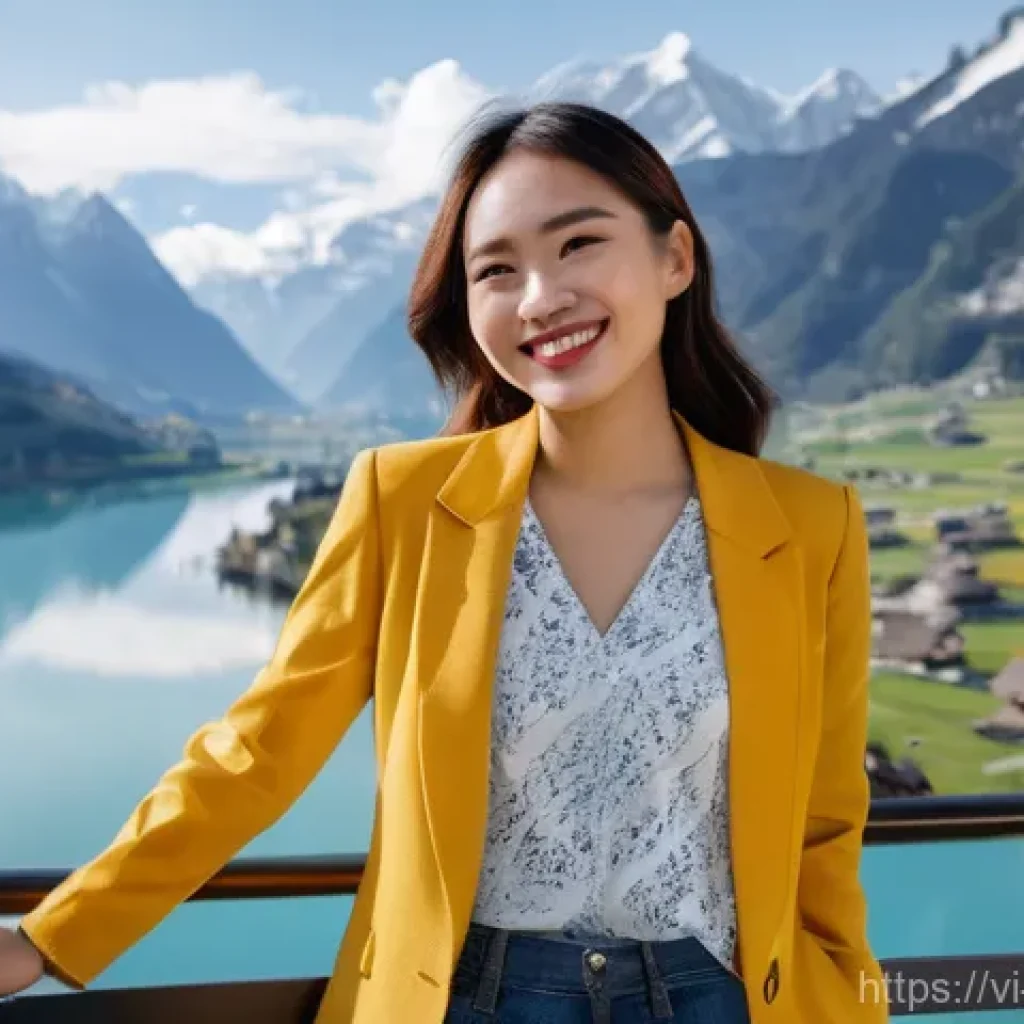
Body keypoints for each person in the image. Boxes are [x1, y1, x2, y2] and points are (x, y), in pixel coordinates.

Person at [0, 100, 889, 1023]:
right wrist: (49, 938)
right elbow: (257, 753)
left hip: (724, 999)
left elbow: (826, 830)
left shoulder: (811, 527)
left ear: (674, 259)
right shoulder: (404, 504)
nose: (540, 296)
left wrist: (850, 1002)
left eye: (578, 244)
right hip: (465, 1002)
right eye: (497, 270)